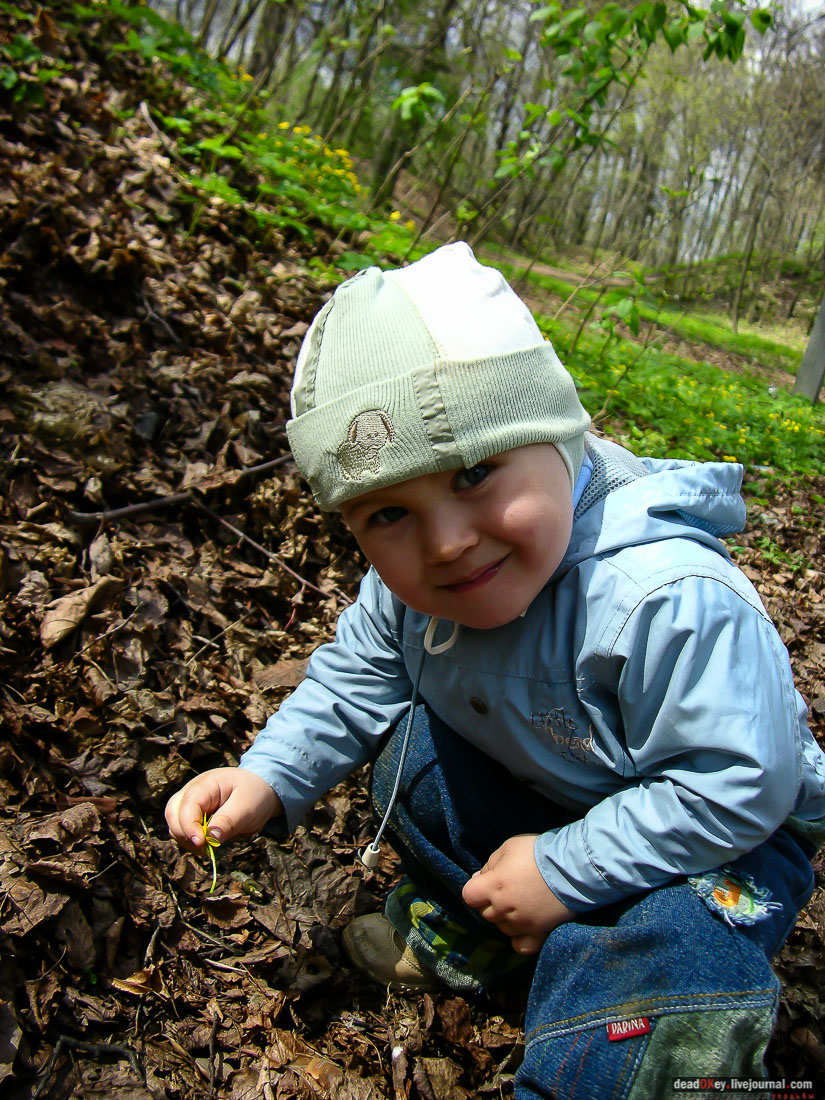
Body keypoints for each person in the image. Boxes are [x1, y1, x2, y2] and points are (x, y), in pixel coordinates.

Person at [166, 243, 825, 1097]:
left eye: (475, 473)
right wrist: (269, 775)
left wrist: (564, 869)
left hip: (719, 839)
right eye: (391, 513)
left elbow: (737, 783)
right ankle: (490, 925)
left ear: (556, 432)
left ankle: (605, 1050)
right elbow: (353, 680)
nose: (446, 542)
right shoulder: (408, 593)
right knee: (408, 757)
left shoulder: (663, 595)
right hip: (549, 792)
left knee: (671, 951)